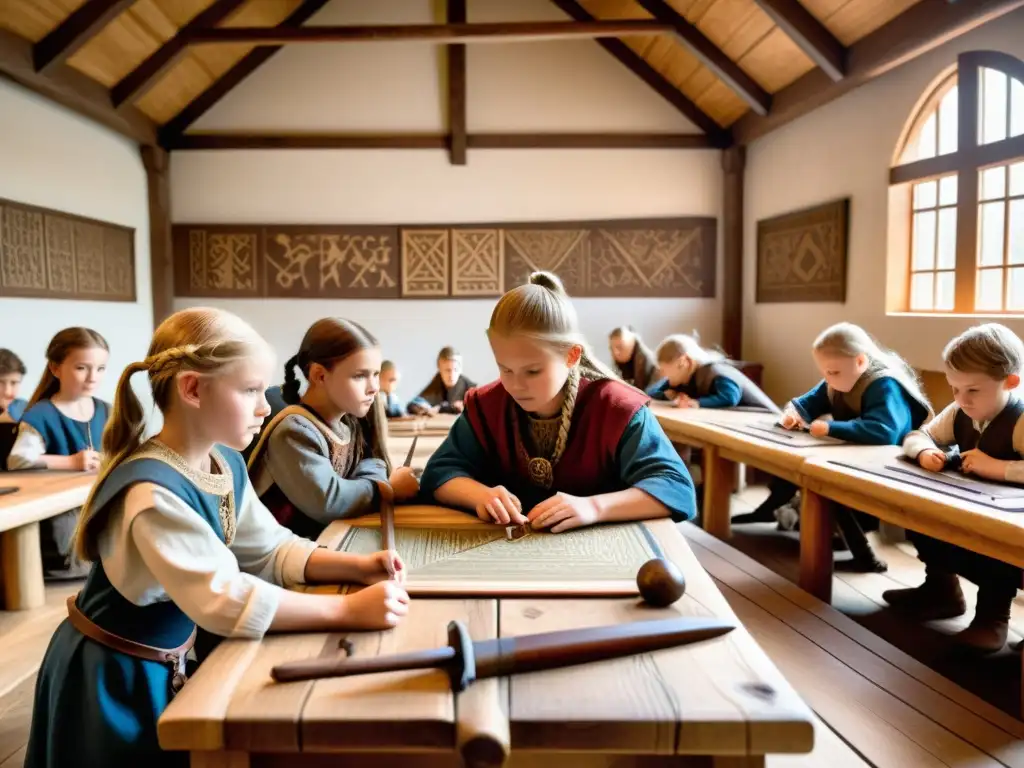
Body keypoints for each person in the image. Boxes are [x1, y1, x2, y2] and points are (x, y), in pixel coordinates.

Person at [25, 307, 409, 768]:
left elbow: (270, 547)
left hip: (163, 659)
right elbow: (225, 599)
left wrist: (353, 565)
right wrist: (346, 609)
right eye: (250, 390)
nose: (266, 406)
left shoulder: (222, 463)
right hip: (115, 675)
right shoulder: (153, 493)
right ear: (192, 388)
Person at [419, 272, 697, 531]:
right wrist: (479, 495)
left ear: (572, 356)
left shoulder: (617, 408)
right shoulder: (486, 405)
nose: (516, 385)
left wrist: (595, 506)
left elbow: (676, 489)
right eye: (505, 369)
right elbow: (438, 473)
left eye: (533, 371)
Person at [734, 322, 932, 573]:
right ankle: (769, 511)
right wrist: (792, 414)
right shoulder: (836, 379)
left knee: (828, 488)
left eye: (833, 372)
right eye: (825, 372)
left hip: (889, 466)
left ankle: (865, 557)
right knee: (793, 466)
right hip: (858, 457)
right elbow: (808, 402)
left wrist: (831, 428)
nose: (828, 378)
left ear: (860, 362)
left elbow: (885, 431)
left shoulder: (884, 384)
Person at [891, 323, 1024, 652]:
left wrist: (997, 468)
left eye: (972, 391)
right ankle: (941, 589)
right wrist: (924, 452)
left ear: (1010, 382)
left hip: (1009, 521)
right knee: (919, 511)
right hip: (970, 502)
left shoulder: (1020, 420)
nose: (961, 400)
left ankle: (993, 616)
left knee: (995, 546)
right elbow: (916, 436)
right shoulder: (959, 412)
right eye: (954, 389)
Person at [247, 318, 419, 539]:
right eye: (360, 376)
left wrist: (368, 482)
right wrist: (387, 488)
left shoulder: (348, 422)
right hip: (281, 563)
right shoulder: (294, 432)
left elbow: (369, 462)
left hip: (325, 545)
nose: (374, 387)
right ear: (319, 375)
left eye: (375, 374)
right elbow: (331, 502)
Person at [7, 327, 111, 579]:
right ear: (55, 368)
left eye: (100, 369)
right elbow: (18, 459)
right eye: (82, 368)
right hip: (63, 519)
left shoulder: (107, 410)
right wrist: (70, 462)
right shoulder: (42, 414)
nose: (92, 377)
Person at [647, 333, 779, 412]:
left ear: (685, 361)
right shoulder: (681, 377)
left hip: (763, 421)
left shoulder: (716, 372)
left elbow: (730, 397)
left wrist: (696, 403)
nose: (662, 375)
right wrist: (672, 396)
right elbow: (652, 393)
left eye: (665, 370)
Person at [407, 346, 477, 415]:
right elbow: (413, 404)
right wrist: (423, 408)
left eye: (456, 370)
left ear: (461, 369)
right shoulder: (437, 382)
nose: (451, 375)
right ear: (440, 369)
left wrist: (441, 408)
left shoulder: (471, 389)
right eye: (447, 370)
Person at [608, 326, 656, 392]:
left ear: (632, 344)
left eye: (620, 347)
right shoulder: (619, 364)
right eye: (611, 349)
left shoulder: (651, 364)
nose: (615, 353)